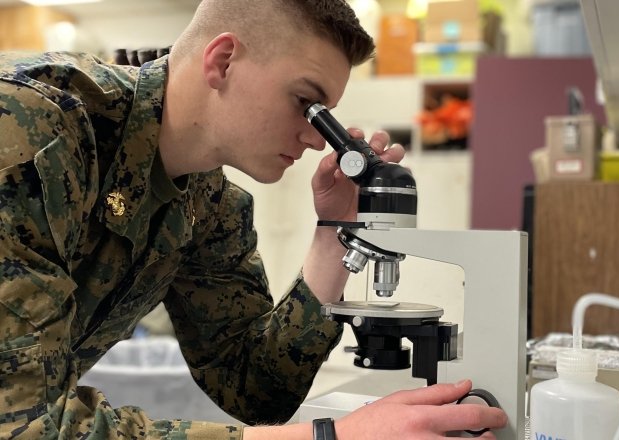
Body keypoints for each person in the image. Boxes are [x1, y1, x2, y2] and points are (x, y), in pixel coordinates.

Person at [0, 0, 508, 439]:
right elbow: (30, 427)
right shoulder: (34, 136)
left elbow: (255, 389)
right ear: (223, 61)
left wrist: (335, 233)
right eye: (305, 103)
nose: (316, 138)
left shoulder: (209, 203)